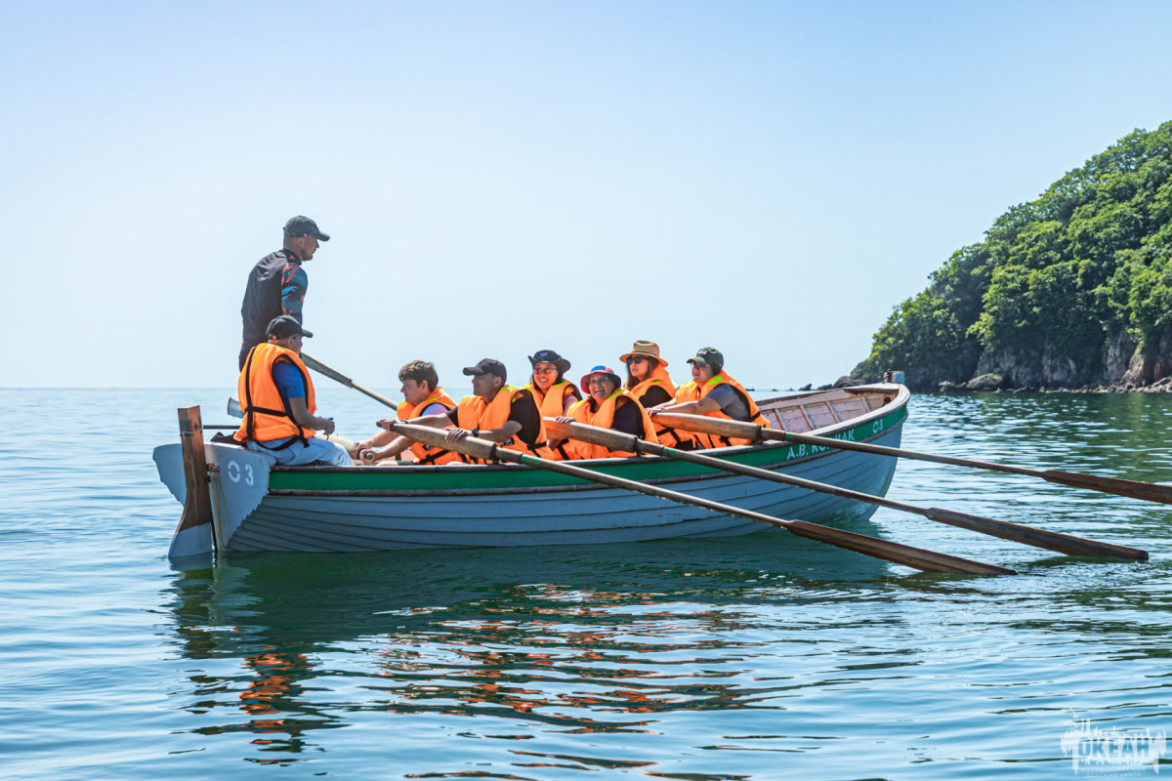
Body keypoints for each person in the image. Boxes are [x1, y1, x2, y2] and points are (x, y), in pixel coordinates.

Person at [233, 316, 353, 466]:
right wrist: (324, 424)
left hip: (255, 442)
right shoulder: (289, 370)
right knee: (340, 453)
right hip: (282, 447)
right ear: (291, 341)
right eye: (300, 340)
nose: (301, 345)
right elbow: (302, 418)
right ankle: (357, 489)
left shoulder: (255, 363)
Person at [388, 359, 545, 464]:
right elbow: (436, 421)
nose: (473, 381)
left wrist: (470, 434)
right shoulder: (473, 404)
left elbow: (503, 434)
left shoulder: (519, 399)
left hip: (527, 468)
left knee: (453, 468)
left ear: (497, 381)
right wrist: (402, 424)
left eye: (480, 377)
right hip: (493, 469)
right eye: (473, 376)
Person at [238, 216, 331, 369]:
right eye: (315, 240)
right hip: (274, 360)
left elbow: (244, 312)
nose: (317, 246)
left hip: (248, 358)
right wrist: (294, 364)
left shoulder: (260, 266)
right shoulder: (294, 272)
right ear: (301, 241)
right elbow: (290, 324)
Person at [649, 347, 770, 449]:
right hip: (717, 449)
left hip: (746, 446)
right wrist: (648, 411)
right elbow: (673, 403)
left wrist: (661, 412)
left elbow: (697, 407)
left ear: (715, 368)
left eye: (701, 366)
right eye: (694, 365)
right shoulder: (694, 389)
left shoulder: (724, 390)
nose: (695, 369)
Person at [356, 361, 460, 465]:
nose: (402, 390)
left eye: (407, 386)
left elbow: (409, 437)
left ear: (423, 385)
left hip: (449, 466)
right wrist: (369, 442)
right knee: (385, 466)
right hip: (427, 462)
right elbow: (395, 431)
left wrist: (379, 454)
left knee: (384, 465)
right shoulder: (415, 407)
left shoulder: (436, 408)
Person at [550, 365, 659, 459]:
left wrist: (578, 428)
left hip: (630, 464)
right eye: (593, 381)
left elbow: (620, 441)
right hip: (596, 466)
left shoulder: (623, 404)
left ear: (614, 384)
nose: (597, 385)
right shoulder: (582, 409)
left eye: (603, 380)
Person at [619, 339, 691, 449]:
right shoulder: (633, 388)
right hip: (657, 450)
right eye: (630, 360)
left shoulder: (657, 389)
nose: (633, 364)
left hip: (677, 448)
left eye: (638, 359)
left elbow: (628, 415)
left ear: (652, 362)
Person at [525, 349, 581, 460]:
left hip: (563, 460)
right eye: (537, 369)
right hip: (530, 457)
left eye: (548, 370)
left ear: (558, 372)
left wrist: (544, 451)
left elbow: (570, 411)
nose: (542, 374)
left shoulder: (567, 393)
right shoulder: (524, 394)